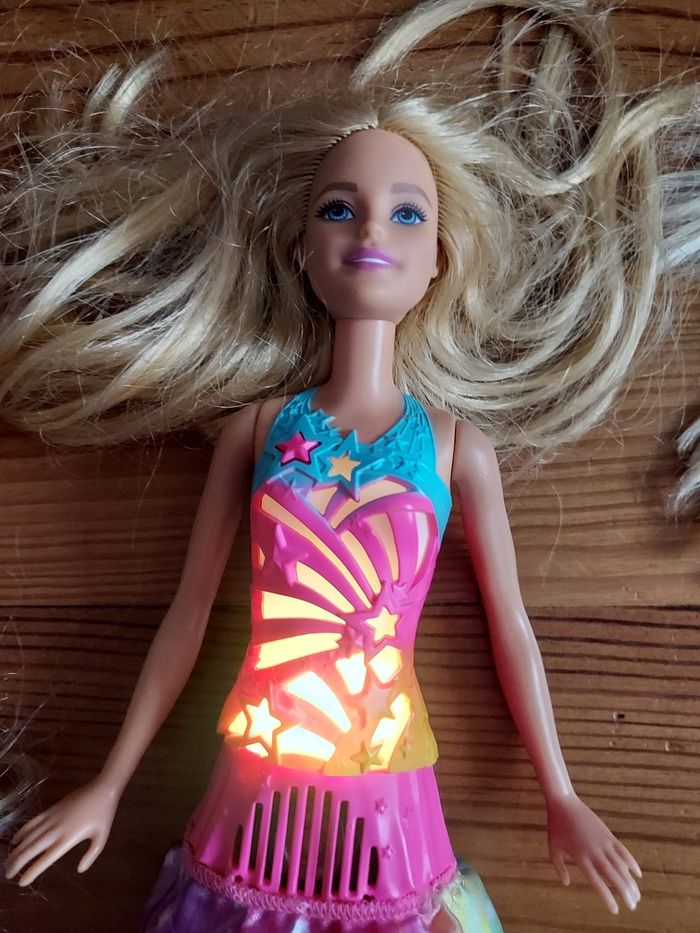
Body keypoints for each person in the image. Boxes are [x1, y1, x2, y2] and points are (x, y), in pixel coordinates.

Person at [2, 0, 698, 928]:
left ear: (437, 258)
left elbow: (512, 627)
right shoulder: (258, 429)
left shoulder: (455, 444)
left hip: (391, 795)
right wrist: (110, 781)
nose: (372, 232)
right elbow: (188, 613)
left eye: (406, 214)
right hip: (253, 787)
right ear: (304, 248)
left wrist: (561, 792)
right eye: (340, 208)